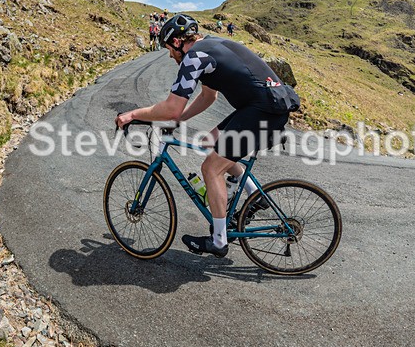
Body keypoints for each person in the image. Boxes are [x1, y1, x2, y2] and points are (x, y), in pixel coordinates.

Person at [115, 14, 296, 258]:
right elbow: (208, 96)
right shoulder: (210, 47)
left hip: (263, 110)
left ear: (178, 42)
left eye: (169, 49)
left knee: (211, 168)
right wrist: (180, 119)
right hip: (265, 105)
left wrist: (132, 115)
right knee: (209, 141)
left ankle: (218, 241)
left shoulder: (195, 57)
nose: (170, 55)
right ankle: (254, 194)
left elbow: (171, 106)